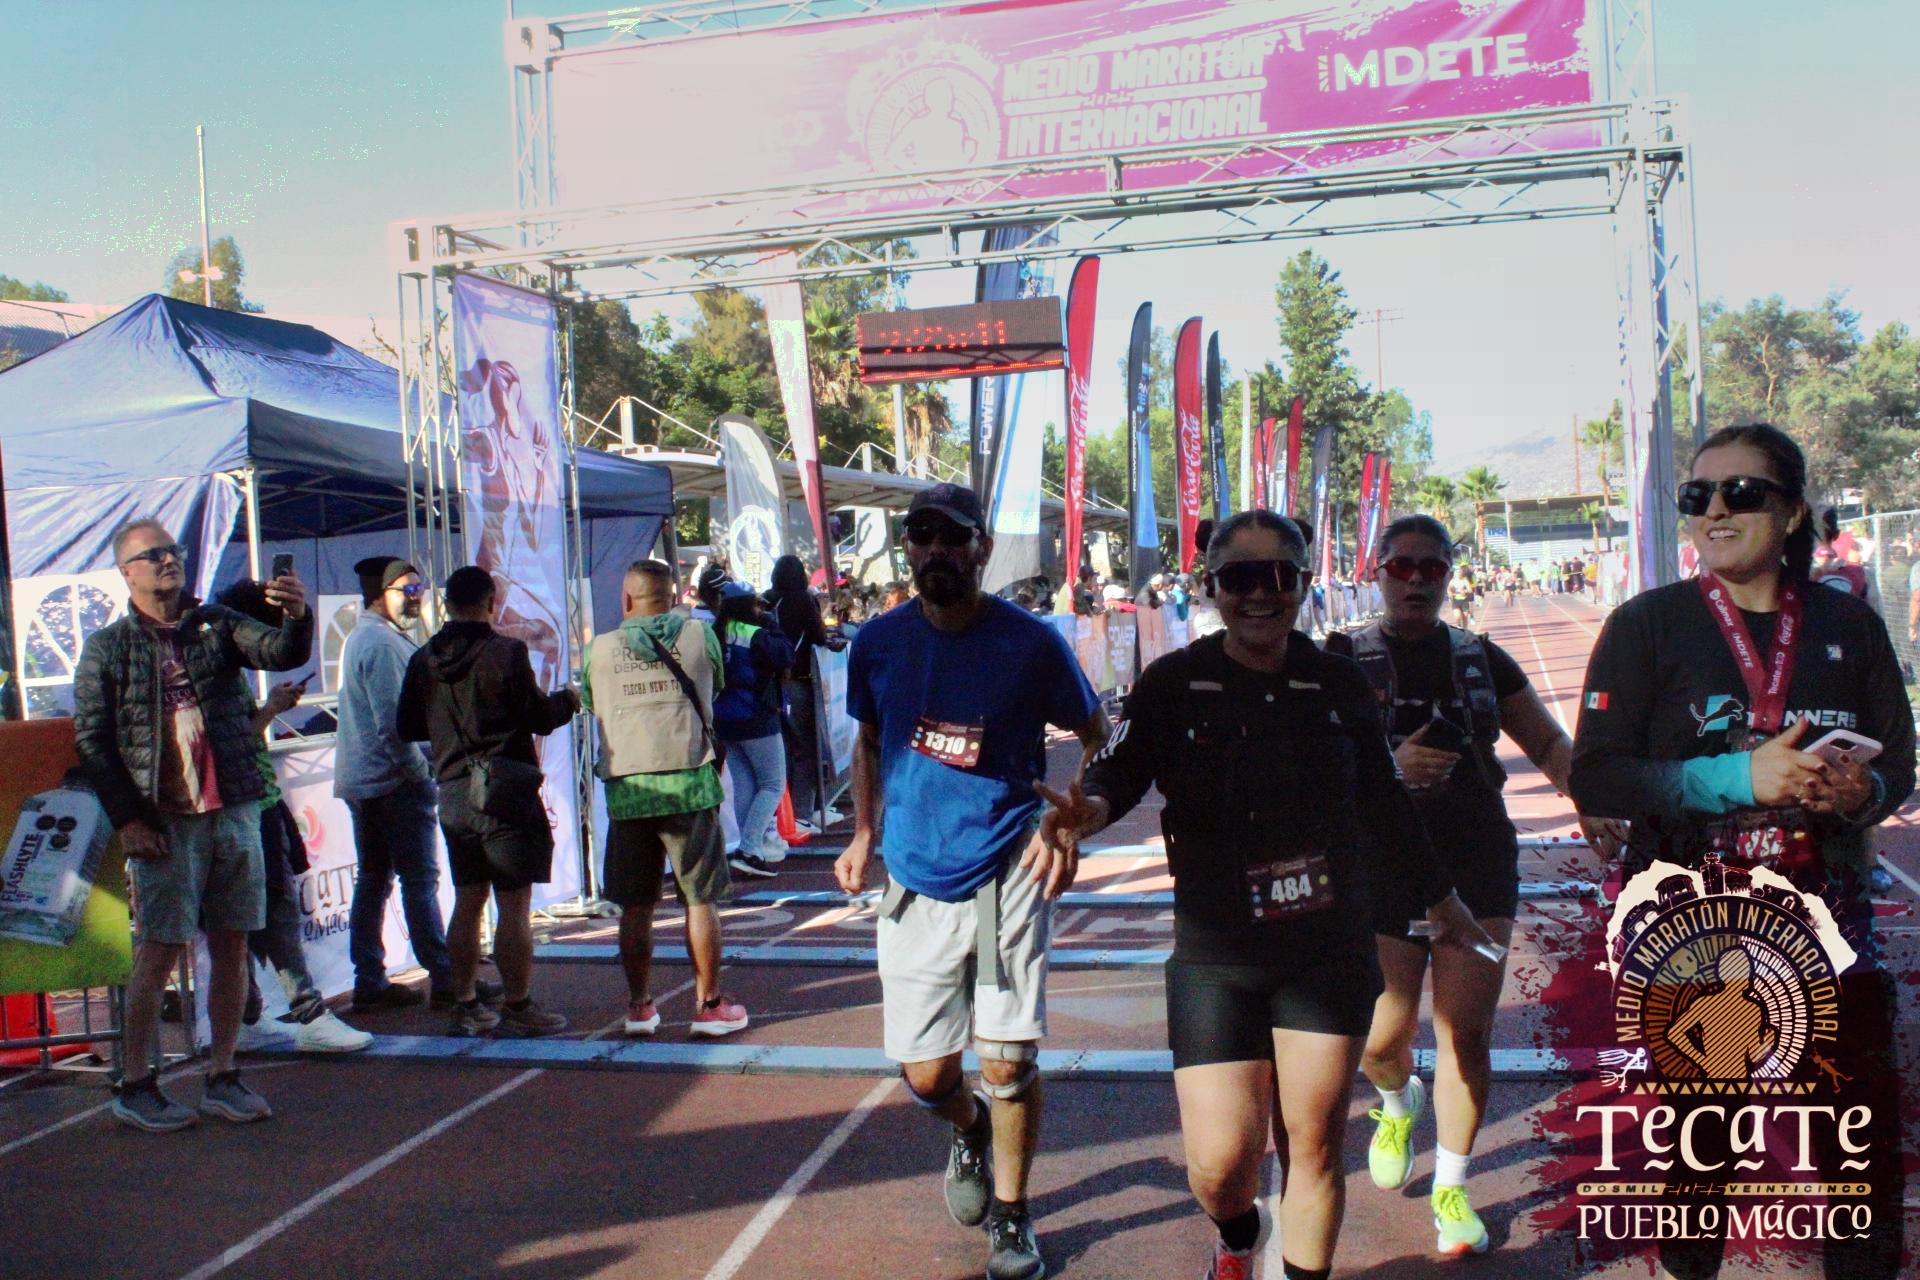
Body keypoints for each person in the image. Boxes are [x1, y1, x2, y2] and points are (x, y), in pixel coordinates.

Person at [1038, 510, 1492, 1280]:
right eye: (1240, 577)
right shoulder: (1174, 682)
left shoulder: (1338, 683)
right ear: (1211, 586)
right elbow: (1119, 768)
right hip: (1217, 954)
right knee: (1219, 1166)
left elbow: (1384, 801)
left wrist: (1443, 901)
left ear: (1303, 583)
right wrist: (1089, 811)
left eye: (1278, 575)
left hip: (1326, 946)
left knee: (1312, 1145)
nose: (1260, 593)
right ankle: (1237, 1233)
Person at [1570, 423, 1913, 1280]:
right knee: (1702, 1157)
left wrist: (1860, 794)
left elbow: (1899, 763)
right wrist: (1737, 779)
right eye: (1698, 495)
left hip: (1832, 933)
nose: (1715, 509)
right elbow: (1598, 775)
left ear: (1792, 512)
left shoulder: (1849, 625)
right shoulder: (1647, 625)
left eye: (1742, 492)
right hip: (1697, 940)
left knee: (1859, 1159)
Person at [1326, 514, 1625, 1257]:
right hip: (1383, 862)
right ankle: (1396, 1100)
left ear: (1449, 575)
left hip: (1476, 859)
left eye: (1431, 567)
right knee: (1380, 1037)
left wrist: (1586, 797)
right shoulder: (1339, 659)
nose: (1416, 580)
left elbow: (1546, 741)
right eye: (1402, 566)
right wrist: (1388, 765)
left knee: (1465, 1035)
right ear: (1378, 572)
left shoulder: (1481, 657)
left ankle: (1452, 1188)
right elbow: (1307, 763)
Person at [834, 483, 1106, 1280]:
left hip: (1004, 871)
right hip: (913, 878)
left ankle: (1013, 1216)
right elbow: (868, 739)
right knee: (927, 1076)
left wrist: (1070, 815)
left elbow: (1098, 732)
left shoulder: (1030, 644)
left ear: (982, 548)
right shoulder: (877, 643)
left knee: (1007, 1062)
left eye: (953, 537)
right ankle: (968, 1127)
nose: (936, 551)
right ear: (907, 548)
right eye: (922, 536)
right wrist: (862, 832)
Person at [76, 520, 313, 1131]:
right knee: (159, 948)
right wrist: (129, 819)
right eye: (152, 555)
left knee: (234, 942)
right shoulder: (108, 647)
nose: (168, 561)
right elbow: (93, 742)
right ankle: (136, 1083)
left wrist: (297, 617)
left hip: (233, 807)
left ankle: (223, 1074)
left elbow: (282, 652)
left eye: (173, 551)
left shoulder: (215, 623)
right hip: (166, 819)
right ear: (126, 572)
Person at [397, 565, 579, 1038]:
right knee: (513, 904)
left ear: (446, 604)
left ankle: (464, 1002)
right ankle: (518, 1004)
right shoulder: (506, 652)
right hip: (505, 789)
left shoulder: (423, 658)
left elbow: (407, 726)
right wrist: (569, 699)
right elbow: (540, 717)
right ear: (491, 602)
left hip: (454, 790)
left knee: (468, 898)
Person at [583, 559, 748, 1039]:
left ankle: (640, 1006)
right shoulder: (699, 636)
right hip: (690, 784)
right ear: (674, 597)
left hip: (629, 790)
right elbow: (716, 685)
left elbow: (591, 702)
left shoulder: (599, 649)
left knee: (636, 905)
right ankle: (709, 1004)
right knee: (700, 900)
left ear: (626, 600)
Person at [214, 579, 371, 1055]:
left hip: (255, 804)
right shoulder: (217, 674)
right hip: (246, 809)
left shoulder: (224, 671)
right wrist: (271, 710)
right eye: (267, 630)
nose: (271, 644)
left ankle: (248, 1015)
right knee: (272, 913)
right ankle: (308, 1013)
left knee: (244, 919)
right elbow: (232, 744)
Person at [336, 556, 464, 1011]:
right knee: (418, 879)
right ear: (380, 594)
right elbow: (394, 727)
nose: (417, 598)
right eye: (408, 590)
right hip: (391, 783)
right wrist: (421, 775)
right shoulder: (382, 644)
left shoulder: (369, 638)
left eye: (419, 589)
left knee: (374, 880)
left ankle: (370, 979)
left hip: (368, 780)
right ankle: (445, 977)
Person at [714, 580, 796, 878]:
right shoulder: (756, 634)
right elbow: (786, 655)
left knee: (745, 784)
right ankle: (750, 848)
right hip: (756, 716)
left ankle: (750, 850)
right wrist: (771, 624)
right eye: (757, 604)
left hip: (724, 718)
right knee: (773, 784)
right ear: (748, 606)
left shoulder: (714, 632)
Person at [766, 554, 842, 832]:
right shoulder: (803, 600)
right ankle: (802, 812)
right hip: (798, 680)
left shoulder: (765, 599)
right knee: (806, 748)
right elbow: (817, 635)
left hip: (770, 684)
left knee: (782, 749)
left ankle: (781, 815)